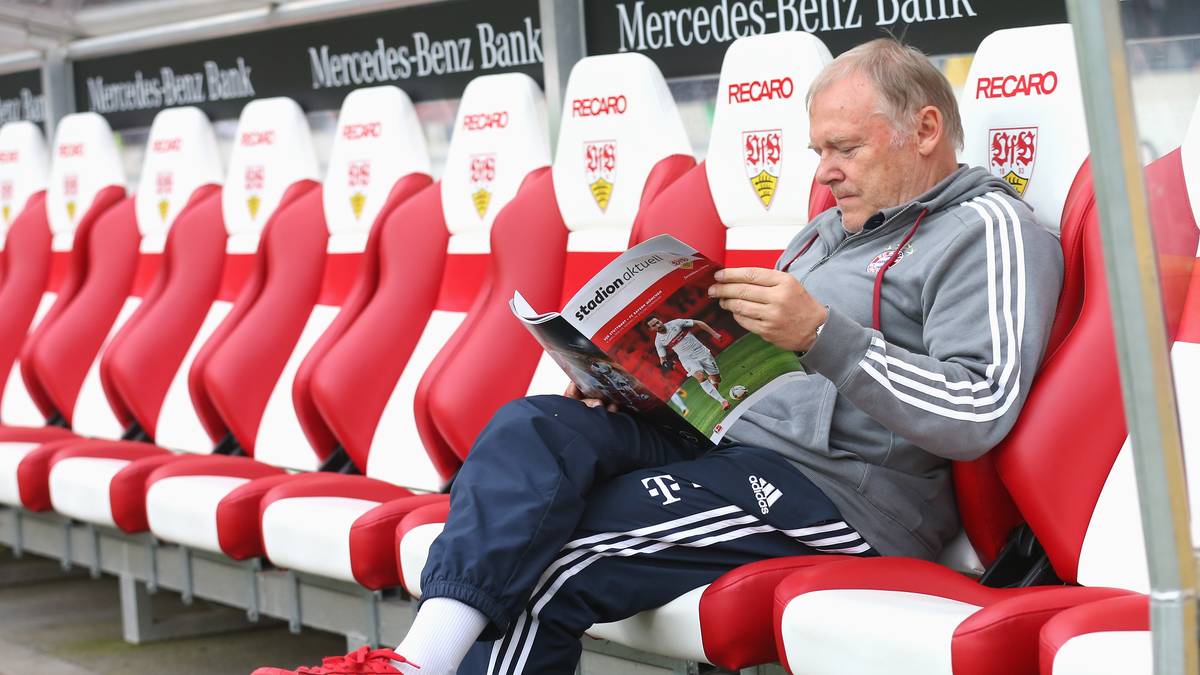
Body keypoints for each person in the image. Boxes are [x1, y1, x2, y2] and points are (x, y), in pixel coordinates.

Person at [255, 37, 1064, 675]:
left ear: (925, 129)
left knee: (554, 558)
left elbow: (979, 409)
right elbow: (751, 370)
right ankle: (411, 664)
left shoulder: (988, 229)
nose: (823, 172)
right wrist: (633, 382)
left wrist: (822, 332)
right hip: (727, 438)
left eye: (844, 147)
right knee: (534, 426)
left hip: (843, 495)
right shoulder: (826, 230)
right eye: (818, 149)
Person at [647, 315, 730, 409]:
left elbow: (699, 323)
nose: (657, 325)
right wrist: (667, 365)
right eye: (654, 325)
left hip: (701, 351)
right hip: (687, 359)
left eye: (657, 322)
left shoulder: (676, 323)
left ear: (660, 320)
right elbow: (663, 360)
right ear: (651, 329)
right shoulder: (658, 341)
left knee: (717, 379)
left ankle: (713, 379)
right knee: (700, 377)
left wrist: (715, 334)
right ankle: (723, 401)